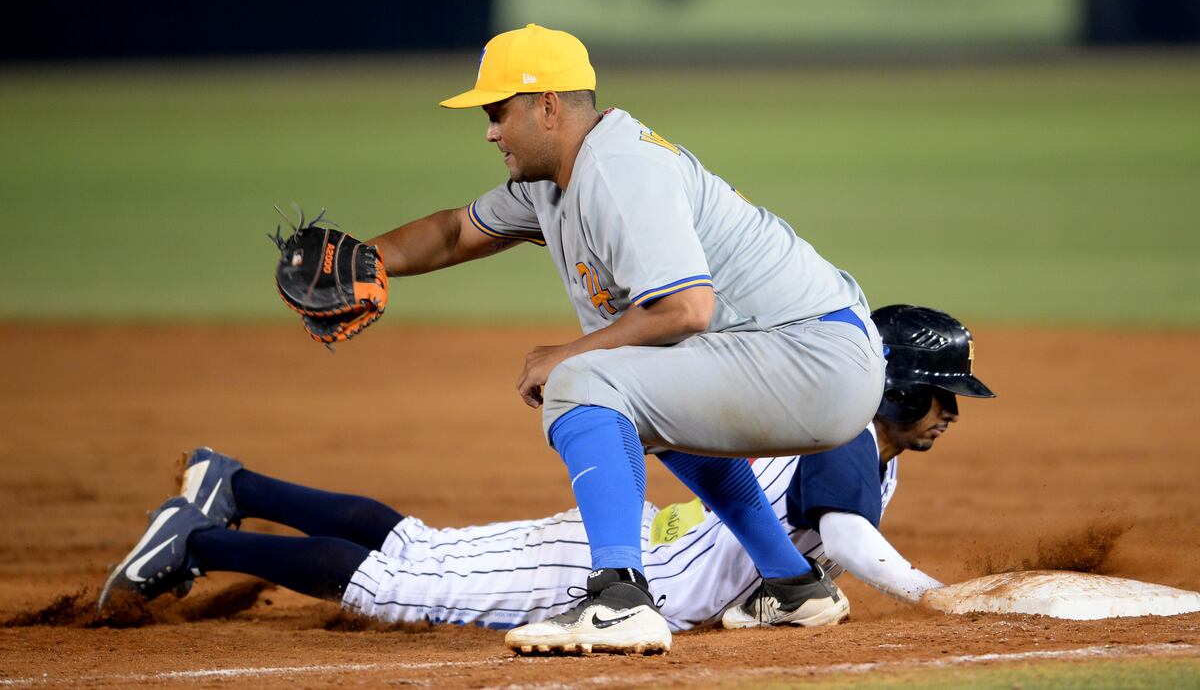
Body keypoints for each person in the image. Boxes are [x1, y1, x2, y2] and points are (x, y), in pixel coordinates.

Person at [341, 22, 888, 653]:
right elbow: (456, 232)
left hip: (814, 358)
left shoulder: (618, 168)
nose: (490, 132)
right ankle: (794, 584)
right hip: (807, 357)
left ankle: (620, 599)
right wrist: (361, 260)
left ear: (548, 106)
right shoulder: (558, 178)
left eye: (497, 113)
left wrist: (565, 356)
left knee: (584, 382)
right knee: (642, 397)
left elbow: (686, 308)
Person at [98, 305, 994, 654]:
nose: (950, 412)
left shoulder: (851, 434)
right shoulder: (847, 432)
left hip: (638, 543)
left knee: (421, 548)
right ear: (896, 387)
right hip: (633, 567)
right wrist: (927, 593)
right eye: (941, 395)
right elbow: (841, 535)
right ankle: (200, 540)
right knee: (402, 586)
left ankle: (237, 486)